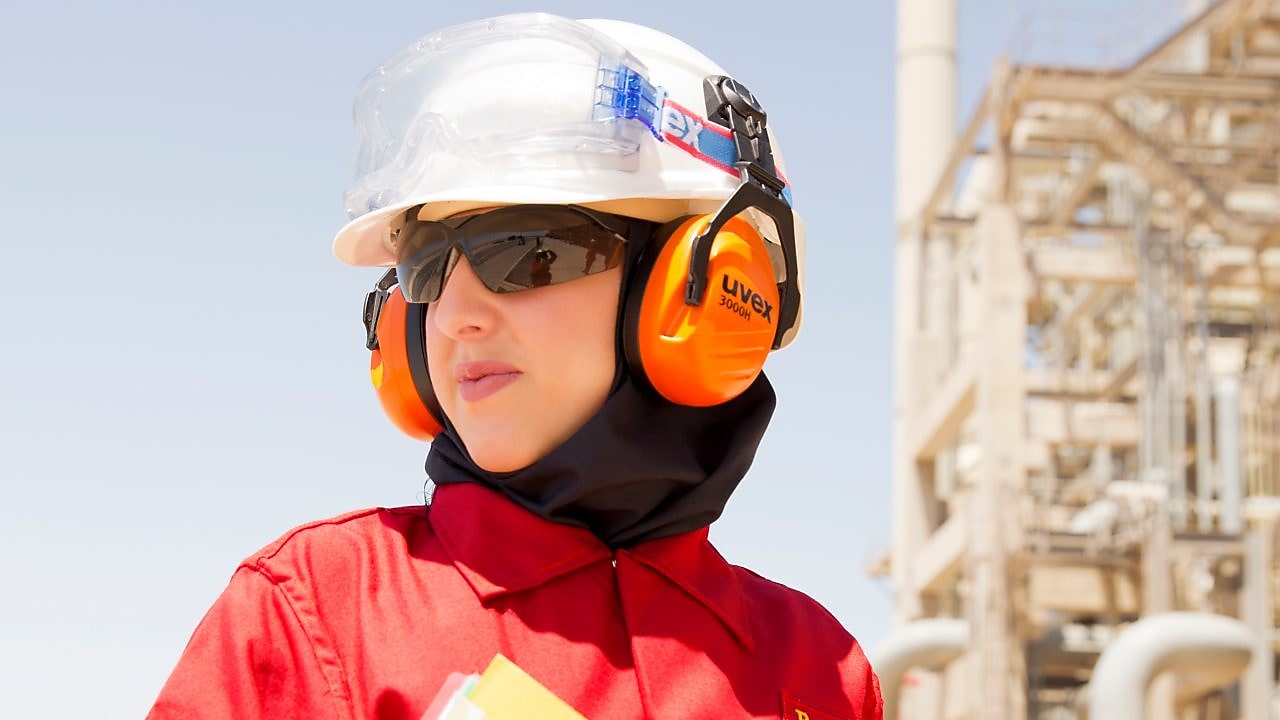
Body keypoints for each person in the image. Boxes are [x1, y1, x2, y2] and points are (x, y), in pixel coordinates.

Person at [148, 12, 882, 720]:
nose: (455, 316)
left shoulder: (818, 668)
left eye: (529, 255)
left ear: (706, 282)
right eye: (425, 272)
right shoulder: (317, 612)